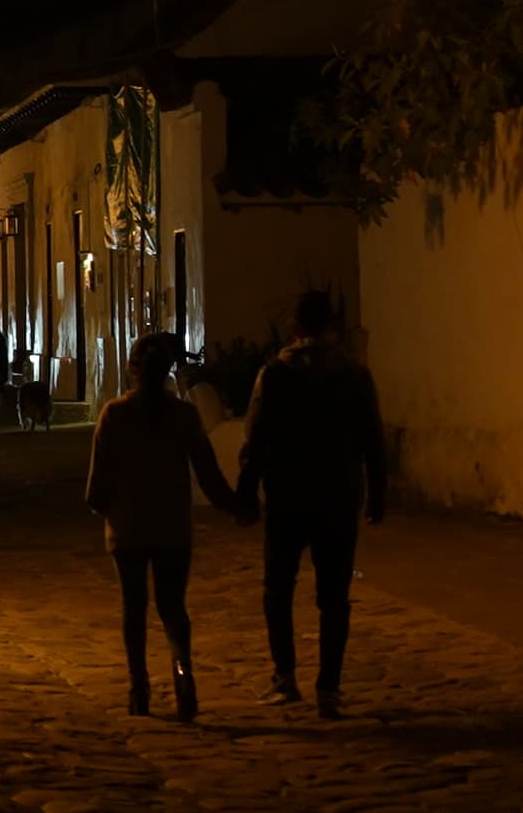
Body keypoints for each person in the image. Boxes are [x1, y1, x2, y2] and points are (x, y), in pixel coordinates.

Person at [237, 290, 387, 720]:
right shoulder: (355, 376)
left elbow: (256, 438)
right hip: (338, 496)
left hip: (287, 495)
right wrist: (377, 493)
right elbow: (372, 440)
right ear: (333, 328)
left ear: (296, 328)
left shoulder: (276, 374)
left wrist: (247, 492)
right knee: (335, 597)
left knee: (278, 589)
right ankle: (329, 687)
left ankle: (285, 677)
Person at [86, 333, 250, 721]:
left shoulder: (115, 414)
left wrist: (106, 507)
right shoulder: (184, 416)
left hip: (127, 528)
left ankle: (138, 686)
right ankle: (183, 673)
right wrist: (236, 505)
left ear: (132, 370)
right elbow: (209, 476)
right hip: (173, 526)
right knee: (173, 607)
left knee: (134, 607)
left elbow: (96, 487)